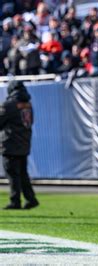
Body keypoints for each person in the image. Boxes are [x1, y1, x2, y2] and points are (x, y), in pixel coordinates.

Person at [0, 81, 38, 210]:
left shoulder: (9, 105)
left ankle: (15, 201)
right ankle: (31, 198)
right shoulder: (28, 105)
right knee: (22, 174)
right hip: (24, 143)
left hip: (10, 144)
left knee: (12, 174)